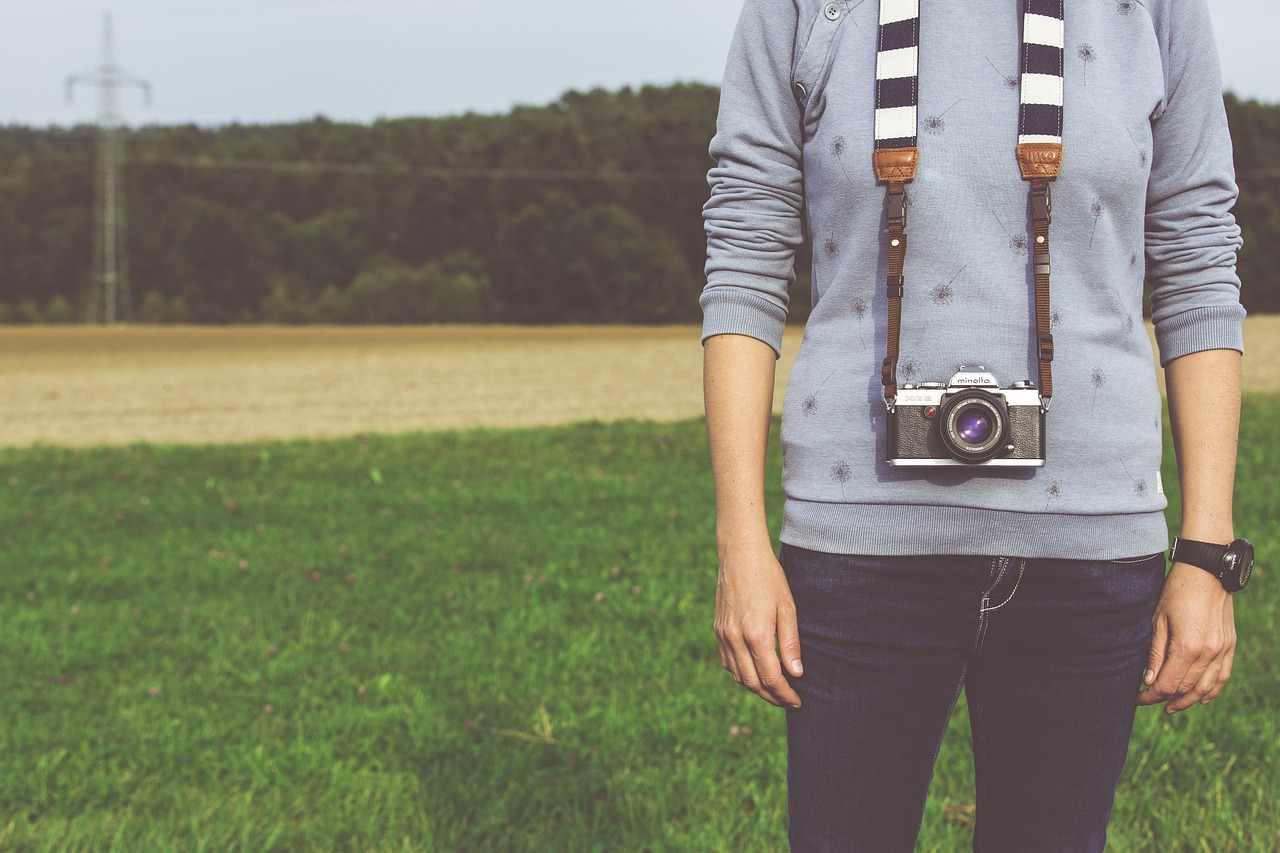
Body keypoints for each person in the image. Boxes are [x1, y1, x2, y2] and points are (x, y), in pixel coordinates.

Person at [700, 0, 1250, 850]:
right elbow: (745, 248)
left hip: (1094, 546)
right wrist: (741, 542)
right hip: (858, 543)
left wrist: (1208, 553)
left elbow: (1199, 259)